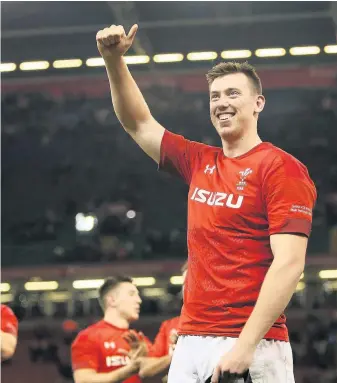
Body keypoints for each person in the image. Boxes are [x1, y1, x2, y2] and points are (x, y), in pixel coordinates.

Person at [96, 24, 317, 383]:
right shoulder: (199, 161)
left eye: (232, 93)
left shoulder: (281, 168)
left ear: (258, 103)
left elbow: (290, 263)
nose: (221, 103)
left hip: (253, 343)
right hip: (191, 340)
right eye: (214, 96)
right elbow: (138, 124)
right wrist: (113, 61)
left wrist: (245, 346)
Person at [71, 276, 170, 383]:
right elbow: (83, 380)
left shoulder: (139, 340)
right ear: (112, 300)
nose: (139, 300)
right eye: (132, 294)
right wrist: (129, 370)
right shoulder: (88, 337)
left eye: (138, 295)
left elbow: (156, 376)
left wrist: (175, 355)